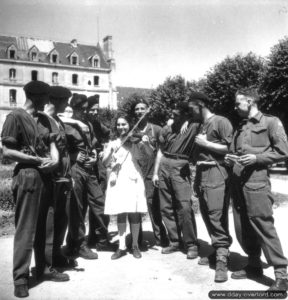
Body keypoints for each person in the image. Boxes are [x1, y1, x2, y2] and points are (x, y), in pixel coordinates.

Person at [1, 81, 69, 298]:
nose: (48, 102)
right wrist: (35, 159)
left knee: (47, 225)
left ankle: (45, 268)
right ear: (35, 96)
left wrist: (55, 160)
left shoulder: (44, 120)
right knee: (26, 229)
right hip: (28, 174)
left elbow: (52, 145)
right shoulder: (15, 117)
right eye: (46, 98)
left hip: (46, 176)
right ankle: (20, 278)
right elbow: (7, 151)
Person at [225, 87, 288, 291]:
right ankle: (254, 265)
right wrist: (230, 157)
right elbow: (236, 151)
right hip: (238, 182)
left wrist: (257, 158)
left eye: (238, 103)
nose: (235, 107)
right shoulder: (241, 127)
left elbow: (283, 151)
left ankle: (281, 275)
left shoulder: (271, 122)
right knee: (243, 226)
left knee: (263, 225)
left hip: (257, 181)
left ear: (250, 101)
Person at [186, 91, 233, 282]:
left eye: (191, 108)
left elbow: (230, 148)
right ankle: (218, 250)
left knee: (215, 214)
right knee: (206, 213)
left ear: (200, 104)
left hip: (217, 172)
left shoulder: (221, 121)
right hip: (202, 172)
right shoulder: (200, 124)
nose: (190, 112)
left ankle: (222, 258)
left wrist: (206, 143)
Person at [63, 94, 108, 260]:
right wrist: (74, 156)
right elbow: (60, 148)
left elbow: (95, 144)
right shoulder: (66, 124)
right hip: (76, 169)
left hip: (90, 168)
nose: (84, 112)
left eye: (85, 109)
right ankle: (78, 245)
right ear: (73, 108)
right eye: (80, 109)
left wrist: (95, 155)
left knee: (99, 202)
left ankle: (102, 239)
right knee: (77, 208)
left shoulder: (88, 123)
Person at [152, 102, 199, 259]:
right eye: (172, 114)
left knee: (184, 206)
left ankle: (191, 243)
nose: (172, 117)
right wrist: (155, 173)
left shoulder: (192, 126)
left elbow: (203, 118)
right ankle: (174, 241)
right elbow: (160, 150)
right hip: (164, 164)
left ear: (186, 114)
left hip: (180, 165)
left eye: (176, 114)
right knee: (166, 206)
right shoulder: (167, 128)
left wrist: (189, 120)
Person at [103, 114, 148, 259]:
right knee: (120, 212)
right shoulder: (113, 142)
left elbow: (144, 159)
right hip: (118, 178)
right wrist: (110, 152)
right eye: (119, 125)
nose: (121, 127)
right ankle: (121, 247)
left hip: (133, 177)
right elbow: (104, 162)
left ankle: (135, 245)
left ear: (130, 125)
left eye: (124, 124)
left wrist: (141, 143)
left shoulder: (136, 142)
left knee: (134, 212)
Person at [45, 86, 78, 269]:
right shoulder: (43, 120)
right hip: (51, 178)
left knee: (61, 219)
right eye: (65, 101)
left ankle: (57, 255)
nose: (67, 105)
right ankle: (48, 262)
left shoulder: (58, 120)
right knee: (49, 222)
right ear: (56, 101)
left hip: (64, 177)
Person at [129, 99, 168, 247]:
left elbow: (162, 151)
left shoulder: (156, 129)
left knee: (153, 206)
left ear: (148, 110)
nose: (139, 111)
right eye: (137, 109)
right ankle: (136, 240)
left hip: (151, 173)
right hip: (135, 174)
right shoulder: (131, 130)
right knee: (135, 207)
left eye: (142, 108)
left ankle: (161, 238)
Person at [86, 95, 111, 250]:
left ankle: (100, 238)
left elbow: (107, 134)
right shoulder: (81, 124)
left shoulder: (97, 124)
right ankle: (89, 239)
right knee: (84, 207)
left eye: (97, 110)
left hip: (98, 167)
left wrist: (103, 148)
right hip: (84, 167)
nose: (95, 113)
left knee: (100, 202)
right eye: (92, 109)